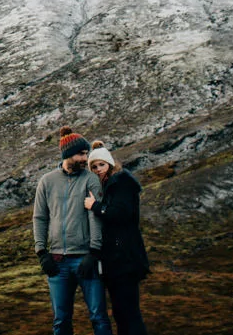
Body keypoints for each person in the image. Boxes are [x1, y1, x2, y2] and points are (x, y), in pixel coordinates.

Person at [33, 126, 113, 335]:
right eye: (81, 154)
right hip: (57, 262)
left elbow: (95, 217)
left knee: (98, 317)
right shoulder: (47, 181)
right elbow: (40, 218)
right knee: (61, 320)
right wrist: (41, 252)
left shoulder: (90, 179)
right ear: (67, 154)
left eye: (86, 153)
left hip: (85, 259)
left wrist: (93, 252)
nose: (85, 158)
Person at [84, 141, 150, 335]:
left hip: (125, 258)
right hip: (114, 260)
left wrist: (95, 206)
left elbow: (120, 214)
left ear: (110, 164)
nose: (98, 169)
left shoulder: (122, 183)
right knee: (121, 312)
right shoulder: (107, 185)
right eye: (94, 167)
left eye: (101, 165)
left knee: (129, 312)